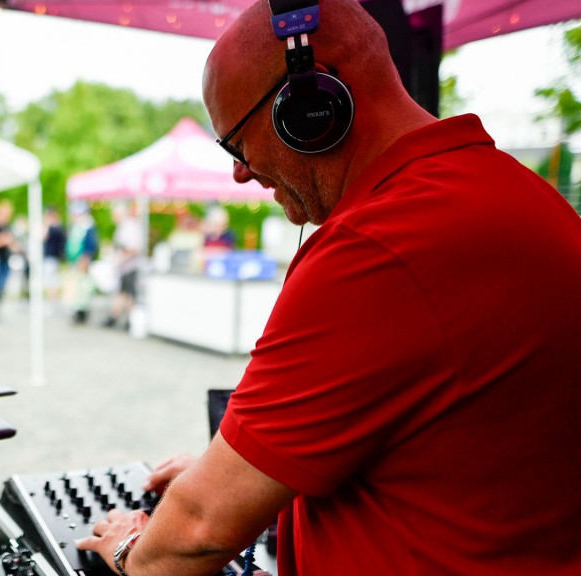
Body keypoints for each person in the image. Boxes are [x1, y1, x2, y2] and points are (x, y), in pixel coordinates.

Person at [77, 1, 581, 575]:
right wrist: (253, 481)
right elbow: (459, 454)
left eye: (236, 144)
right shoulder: (515, 192)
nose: (239, 173)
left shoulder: (381, 244)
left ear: (312, 107)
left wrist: (128, 544)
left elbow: (192, 538)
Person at [103, 202, 142, 329]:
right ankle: (124, 319)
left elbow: (133, 248)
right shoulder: (124, 226)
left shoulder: (129, 227)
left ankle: (119, 318)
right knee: (126, 293)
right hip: (124, 267)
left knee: (126, 293)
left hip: (129, 266)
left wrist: (120, 258)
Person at [64, 201, 99, 324]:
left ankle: (82, 313)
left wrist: (85, 259)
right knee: (76, 288)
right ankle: (77, 311)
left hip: (82, 262)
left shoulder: (87, 225)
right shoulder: (79, 225)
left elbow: (90, 245)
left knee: (82, 289)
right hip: (75, 262)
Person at [41, 205, 67, 311]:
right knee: (53, 281)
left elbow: (43, 237)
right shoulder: (60, 228)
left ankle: (52, 304)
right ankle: (53, 304)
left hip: (50, 257)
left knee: (51, 282)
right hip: (54, 257)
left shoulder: (54, 228)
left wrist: (47, 225)